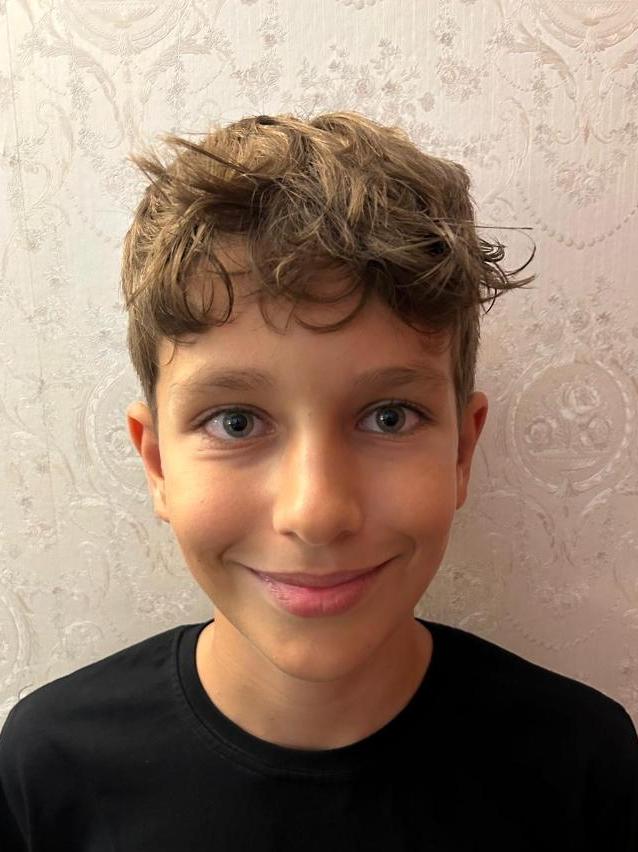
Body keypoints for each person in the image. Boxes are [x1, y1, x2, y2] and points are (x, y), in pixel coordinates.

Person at [0, 111, 636, 851]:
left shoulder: (582, 766)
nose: (317, 511)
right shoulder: (49, 771)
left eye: (389, 417)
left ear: (462, 451)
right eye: (235, 421)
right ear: (159, 465)